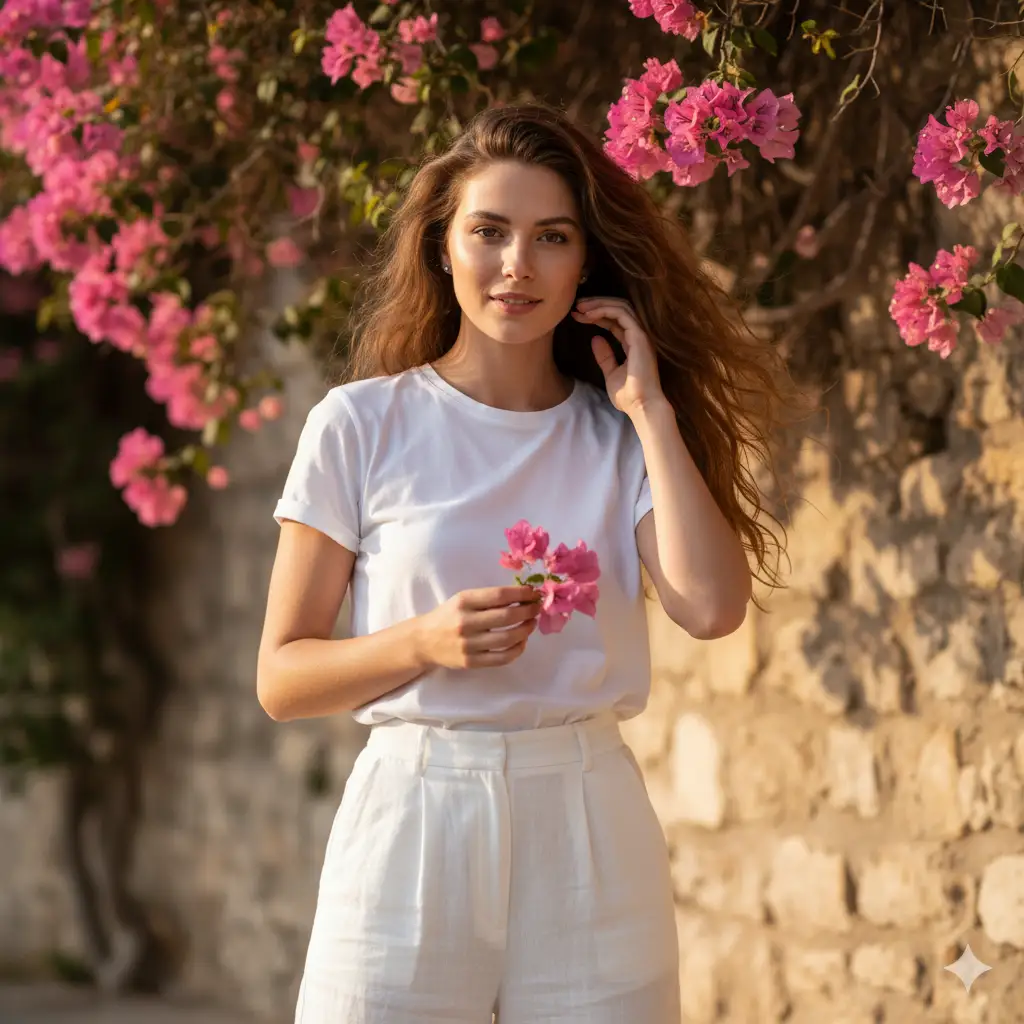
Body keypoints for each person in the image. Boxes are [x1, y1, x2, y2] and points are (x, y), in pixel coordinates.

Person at [258, 101, 794, 1024]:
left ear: (586, 261)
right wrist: (423, 640)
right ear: (442, 248)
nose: (518, 266)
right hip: (412, 819)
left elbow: (709, 609)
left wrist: (653, 415)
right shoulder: (360, 425)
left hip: (587, 818)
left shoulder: (619, 438)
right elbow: (282, 676)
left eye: (552, 236)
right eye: (489, 232)